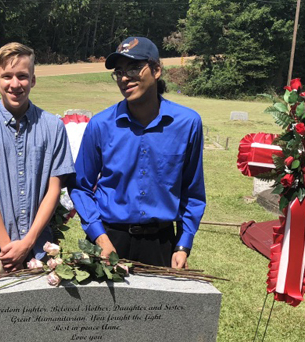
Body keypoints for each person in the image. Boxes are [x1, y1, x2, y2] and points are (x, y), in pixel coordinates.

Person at [69, 36, 206, 269]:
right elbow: (80, 186)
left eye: (134, 68)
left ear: (156, 70)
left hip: (161, 243)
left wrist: (183, 243)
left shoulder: (187, 124)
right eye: (119, 71)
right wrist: (99, 237)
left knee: (158, 306)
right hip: (109, 239)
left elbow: (192, 191)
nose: (124, 78)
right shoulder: (100, 125)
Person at [0, 42, 75, 276]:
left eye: (22, 76)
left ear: (33, 80)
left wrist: (26, 244)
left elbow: (53, 192)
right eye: (7, 76)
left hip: (40, 249)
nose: (15, 84)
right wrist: (9, 249)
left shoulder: (53, 127)